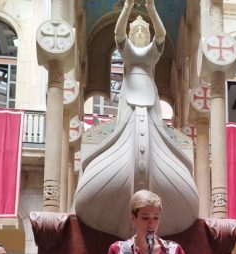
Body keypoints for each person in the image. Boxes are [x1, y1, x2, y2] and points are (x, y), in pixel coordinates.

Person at [74, 0, 198, 239]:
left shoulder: (152, 52)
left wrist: (151, 9)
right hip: (129, 95)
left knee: (152, 125)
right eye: (137, 31)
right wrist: (128, 8)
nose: (140, 33)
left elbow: (161, 34)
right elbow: (118, 32)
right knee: (128, 123)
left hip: (148, 96)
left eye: (144, 31)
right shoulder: (127, 51)